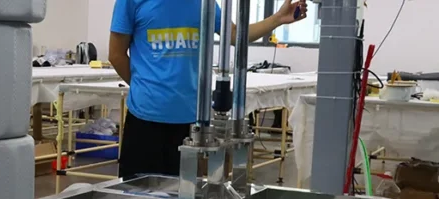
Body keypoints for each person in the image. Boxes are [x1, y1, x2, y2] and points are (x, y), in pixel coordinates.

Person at [108, 0, 308, 180]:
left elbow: (235, 35)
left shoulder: (204, 3)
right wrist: (147, 88)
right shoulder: (131, 1)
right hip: (146, 119)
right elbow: (116, 54)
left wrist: (278, 19)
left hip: (191, 122)